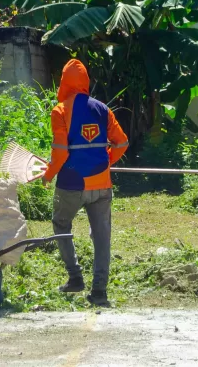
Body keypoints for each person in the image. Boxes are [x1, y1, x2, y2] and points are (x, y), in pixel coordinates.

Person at [42, 59, 128, 308]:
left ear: (64, 83)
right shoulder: (103, 109)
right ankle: (99, 291)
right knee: (102, 238)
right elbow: (121, 142)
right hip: (102, 185)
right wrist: (106, 163)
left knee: (61, 224)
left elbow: (60, 153)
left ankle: (75, 277)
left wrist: (48, 175)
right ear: (86, 82)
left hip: (71, 184)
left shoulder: (60, 111)